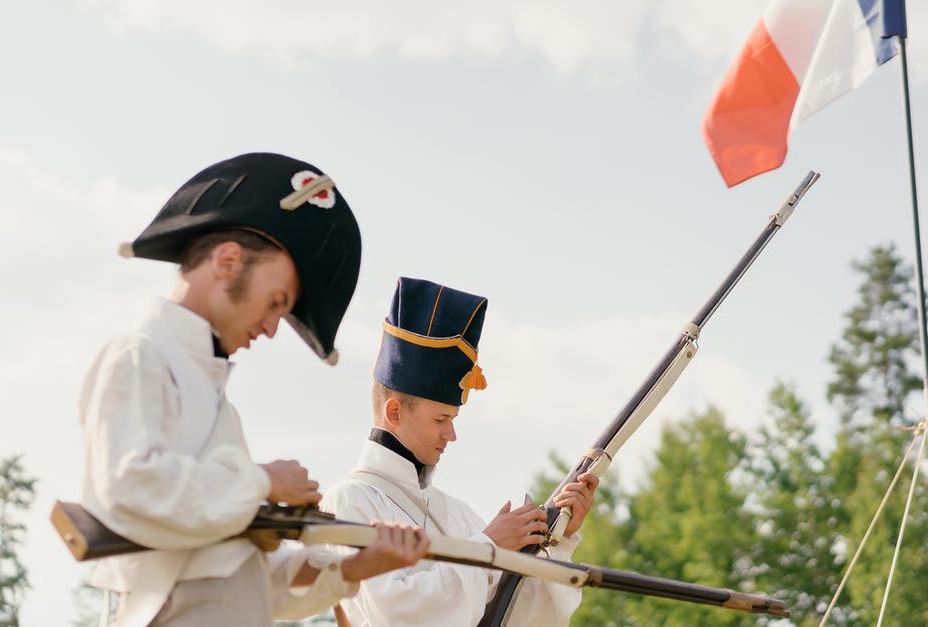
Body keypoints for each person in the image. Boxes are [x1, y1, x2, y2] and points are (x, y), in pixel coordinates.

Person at [78, 153, 430, 627]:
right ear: (227, 261)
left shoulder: (217, 405)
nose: (269, 328)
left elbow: (238, 578)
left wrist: (356, 567)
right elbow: (130, 490)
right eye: (275, 303)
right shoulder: (138, 356)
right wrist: (263, 481)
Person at [323, 277, 600, 626]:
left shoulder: (458, 514)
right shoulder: (349, 501)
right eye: (441, 419)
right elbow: (395, 615)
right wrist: (487, 549)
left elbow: (526, 618)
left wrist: (558, 537)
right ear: (394, 412)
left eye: (453, 419)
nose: (451, 434)